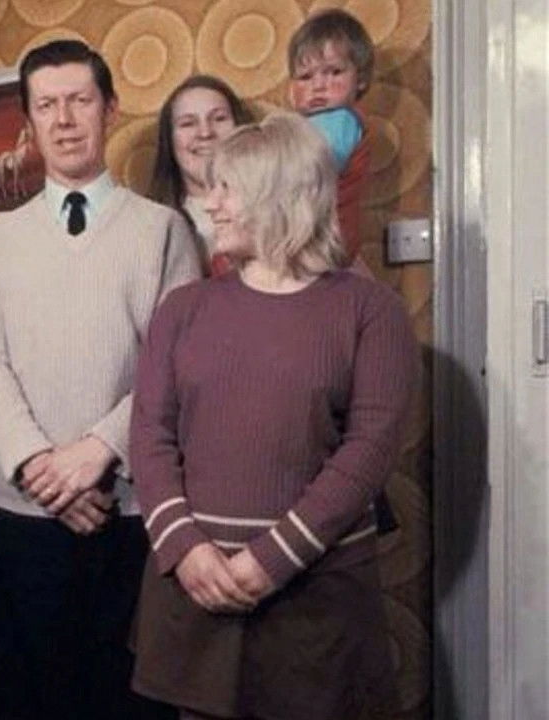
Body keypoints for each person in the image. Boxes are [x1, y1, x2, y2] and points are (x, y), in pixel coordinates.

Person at [128, 112, 416, 720]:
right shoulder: (183, 309)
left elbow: (367, 452)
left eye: (227, 188)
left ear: (282, 192)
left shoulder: (370, 311)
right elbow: (149, 436)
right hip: (196, 593)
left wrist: (270, 559)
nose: (211, 203)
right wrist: (185, 548)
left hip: (315, 604)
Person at [0, 39, 200, 720]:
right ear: (29, 123)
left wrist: (98, 452)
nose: (64, 120)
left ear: (110, 109)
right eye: (46, 106)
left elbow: (177, 364)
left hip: (128, 512)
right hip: (23, 517)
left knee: (129, 700)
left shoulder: (163, 231)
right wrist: (41, 469)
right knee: (33, 700)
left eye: (79, 101)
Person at [288, 8, 375, 264]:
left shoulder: (339, 120)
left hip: (325, 239)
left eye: (334, 72)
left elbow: (312, 170)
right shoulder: (311, 122)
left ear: (360, 79)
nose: (318, 85)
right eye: (305, 77)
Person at [148, 75, 252, 274]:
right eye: (188, 123)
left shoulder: (276, 211)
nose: (205, 133)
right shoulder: (149, 224)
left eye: (219, 119)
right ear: (169, 141)